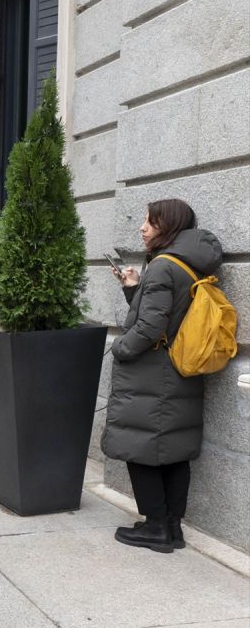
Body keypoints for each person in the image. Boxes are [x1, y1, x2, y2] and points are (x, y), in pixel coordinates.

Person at [102, 199, 223, 554]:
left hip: (152, 374)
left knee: (139, 448)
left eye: (151, 222)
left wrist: (121, 348)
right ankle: (171, 527)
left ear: (168, 227)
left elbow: (151, 326)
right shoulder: (190, 265)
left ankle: (155, 527)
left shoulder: (163, 267)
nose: (142, 227)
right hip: (181, 369)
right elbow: (167, 317)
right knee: (172, 451)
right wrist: (132, 289)